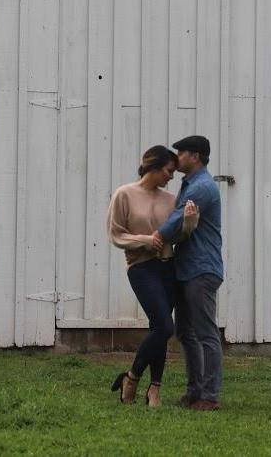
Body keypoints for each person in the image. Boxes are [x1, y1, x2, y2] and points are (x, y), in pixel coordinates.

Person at [106, 145, 199, 407]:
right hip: (141, 268)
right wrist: (145, 240)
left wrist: (189, 223)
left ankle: (154, 389)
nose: (172, 176)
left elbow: (178, 236)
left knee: (158, 328)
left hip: (169, 268)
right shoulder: (124, 194)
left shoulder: (171, 199)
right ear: (154, 167)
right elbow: (116, 235)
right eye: (168, 171)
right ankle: (132, 377)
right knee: (165, 327)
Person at [152, 135, 224, 412]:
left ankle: (209, 396)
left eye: (181, 152)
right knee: (185, 332)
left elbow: (177, 220)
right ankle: (195, 391)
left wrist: (156, 236)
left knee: (205, 333)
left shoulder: (202, 187)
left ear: (195, 156)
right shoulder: (191, 184)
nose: (177, 157)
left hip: (201, 269)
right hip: (188, 269)